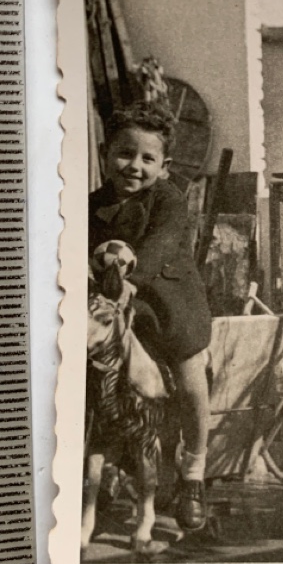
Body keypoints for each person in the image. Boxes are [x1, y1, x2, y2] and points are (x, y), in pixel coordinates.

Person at [88, 101, 213, 532]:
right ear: (105, 153)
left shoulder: (170, 202)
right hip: (117, 313)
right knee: (99, 385)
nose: (133, 166)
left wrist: (129, 278)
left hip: (168, 307)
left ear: (164, 165)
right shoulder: (93, 206)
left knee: (192, 379)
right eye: (124, 153)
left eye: (147, 158)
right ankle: (103, 473)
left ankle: (193, 474)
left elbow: (159, 247)